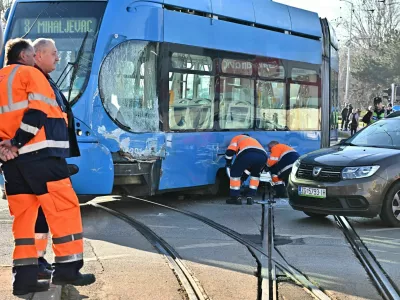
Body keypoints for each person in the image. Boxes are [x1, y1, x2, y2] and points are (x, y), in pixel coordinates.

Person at [0, 38, 95, 296]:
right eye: (34, 55)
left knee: (25, 220)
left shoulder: (0, 77)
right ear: (26, 56)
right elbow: (38, 112)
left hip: (12, 164)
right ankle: (68, 269)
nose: (36, 60)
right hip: (41, 156)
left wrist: (4, 148)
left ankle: (25, 280)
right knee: (64, 208)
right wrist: (18, 141)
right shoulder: (31, 74)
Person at [225, 134, 267, 205]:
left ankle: (235, 197)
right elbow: (248, 169)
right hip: (263, 156)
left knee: (235, 173)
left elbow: (230, 151)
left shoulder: (237, 137)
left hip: (247, 154)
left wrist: (228, 163)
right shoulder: (253, 140)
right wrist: (243, 179)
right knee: (255, 176)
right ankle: (250, 197)